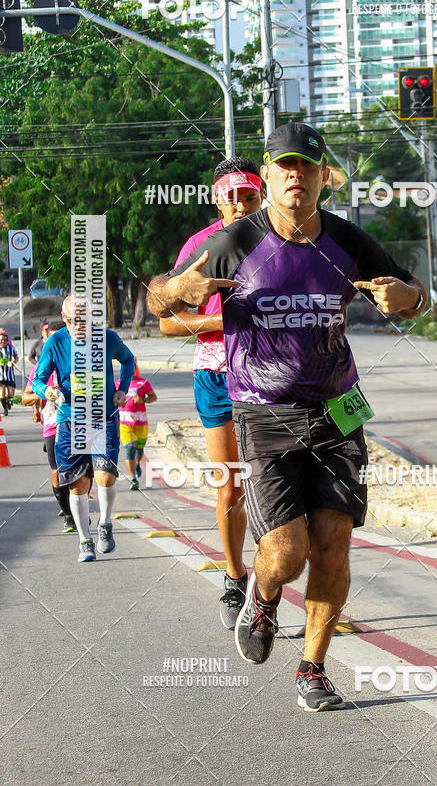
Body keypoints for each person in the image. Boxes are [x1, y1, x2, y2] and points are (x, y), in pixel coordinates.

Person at [147, 122, 426, 711]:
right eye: (284, 166)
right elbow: (159, 301)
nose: (296, 176)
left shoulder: (349, 241)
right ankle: (265, 597)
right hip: (263, 412)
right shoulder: (237, 241)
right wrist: (178, 288)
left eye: (308, 167)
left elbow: (415, 292)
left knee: (334, 544)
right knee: (288, 552)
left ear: (324, 177)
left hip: (338, 409)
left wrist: (410, 299)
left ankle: (313, 668)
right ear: (269, 177)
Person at [158, 157, 264, 630]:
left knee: (272, 487)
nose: (240, 205)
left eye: (250, 196)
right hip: (217, 372)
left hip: (273, 374)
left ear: (263, 197)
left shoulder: (284, 238)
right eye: (231, 196)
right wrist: (222, 322)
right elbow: (166, 320)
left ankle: (268, 586)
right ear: (216, 198)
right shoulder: (200, 246)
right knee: (231, 487)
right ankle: (234, 577)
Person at [33, 295, 135, 563]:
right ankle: (84, 540)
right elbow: (38, 380)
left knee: (105, 477)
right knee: (78, 486)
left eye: (85, 320)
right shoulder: (56, 342)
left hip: (104, 417)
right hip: (70, 421)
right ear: (64, 319)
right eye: (72, 320)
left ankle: (105, 524)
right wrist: (49, 391)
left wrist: (123, 389)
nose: (79, 325)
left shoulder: (108, 338)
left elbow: (128, 360)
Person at [21, 320, 76, 532]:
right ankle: (70, 516)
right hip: (52, 426)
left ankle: (77, 504)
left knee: (83, 471)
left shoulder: (74, 359)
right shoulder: (39, 368)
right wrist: (44, 393)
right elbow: (25, 397)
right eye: (49, 339)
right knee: (56, 472)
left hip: (76, 420)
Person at [116, 359, 157, 490]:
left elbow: (153, 397)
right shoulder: (117, 384)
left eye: (131, 367)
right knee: (130, 449)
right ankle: (133, 479)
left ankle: (138, 463)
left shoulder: (142, 383)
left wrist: (143, 399)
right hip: (124, 423)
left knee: (139, 450)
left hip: (141, 422)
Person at [0, 329, 18, 415]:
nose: (2, 342)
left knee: (11, 393)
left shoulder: (10, 348)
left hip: (9, 374)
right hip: (0, 375)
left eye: (4, 340)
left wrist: (14, 362)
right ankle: (5, 410)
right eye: (1, 340)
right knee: (2, 391)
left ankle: (7, 400)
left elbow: (16, 356)